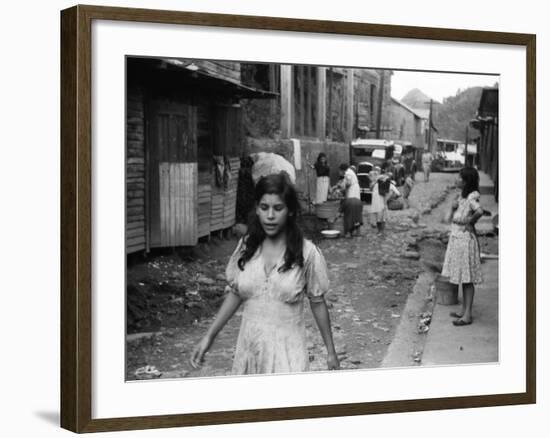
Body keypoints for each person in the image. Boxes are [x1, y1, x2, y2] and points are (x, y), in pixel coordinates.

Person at [190, 173, 339, 374]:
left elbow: (318, 302)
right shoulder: (247, 246)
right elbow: (236, 293)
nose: (270, 216)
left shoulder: (307, 253)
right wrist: (209, 336)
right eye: (264, 207)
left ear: (290, 212)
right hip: (250, 353)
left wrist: (331, 351)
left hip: (288, 358)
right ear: (257, 210)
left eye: (278, 208)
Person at [441, 167, 484, 326]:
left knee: (467, 279)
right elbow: (447, 219)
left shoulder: (472, 197)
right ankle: (463, 310)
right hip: (457, 239)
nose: (456, 179)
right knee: (462, 276)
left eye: (459, 177)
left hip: (465, 240)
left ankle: (467, 315)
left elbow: (479, 211)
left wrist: (470, 222)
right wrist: (452, 208)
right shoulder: (461, 197)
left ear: (465, 181)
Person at [335, 163, 363, 238]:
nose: (339, 173)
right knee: (357, 212)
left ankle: (349, 231)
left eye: (339, 171)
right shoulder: (350, 172)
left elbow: (348, 183)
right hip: (354, 193)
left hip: (352, 192)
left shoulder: (348, 173)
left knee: (350, 210)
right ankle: (357, 231)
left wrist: (340, 189)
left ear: (342, 170)